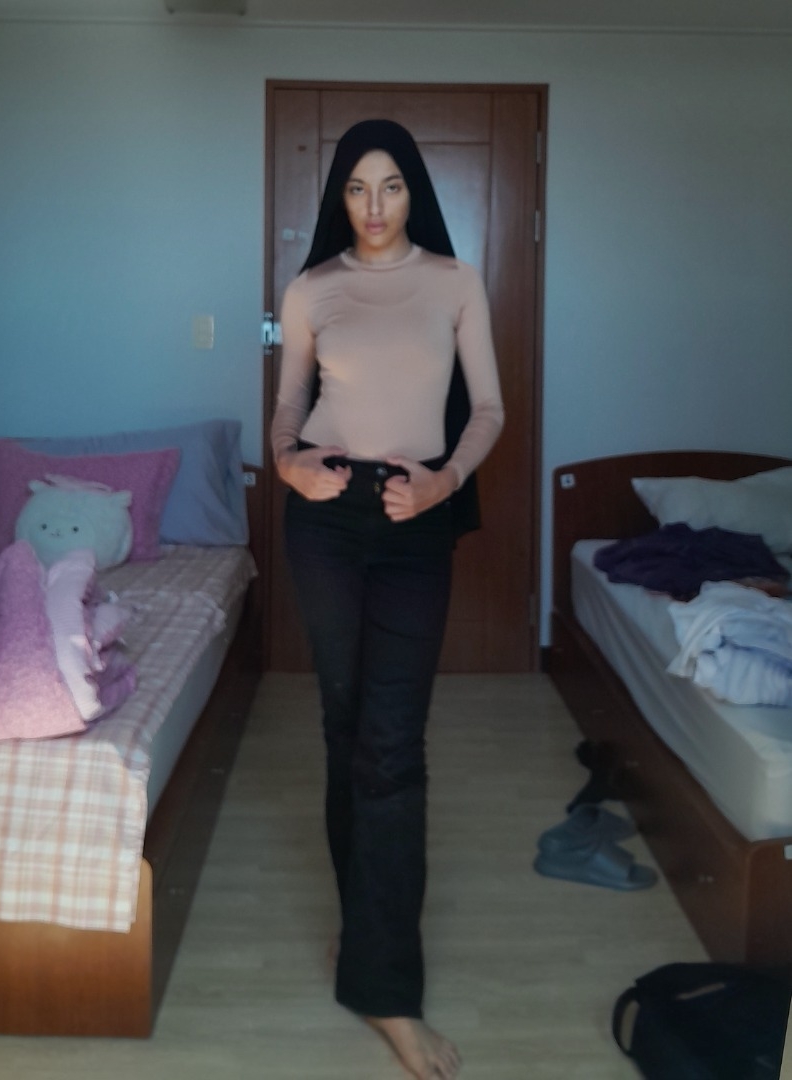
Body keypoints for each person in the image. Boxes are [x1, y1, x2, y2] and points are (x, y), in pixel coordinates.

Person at [271, 118, 504, 1080]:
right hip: (326, 517)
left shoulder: (454, 282)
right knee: (345, 726)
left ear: (415, 192)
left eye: (392, 186)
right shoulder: (312, 288)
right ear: (340, 195)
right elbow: (289, 404)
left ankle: (388, 992)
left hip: (415, 520)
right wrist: (287, 462)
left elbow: (487, 408)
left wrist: (445, 483)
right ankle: (367, 934)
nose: (374, 207)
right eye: (358, 188)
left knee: (393, 745)